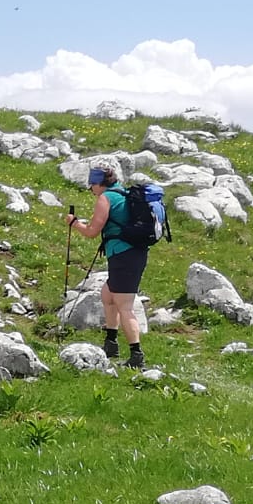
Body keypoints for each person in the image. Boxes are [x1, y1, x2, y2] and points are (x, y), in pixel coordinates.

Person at [65, 158, 148, 368]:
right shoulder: (123, 194)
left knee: (124, 306)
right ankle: (111, 344)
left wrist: (74, 223)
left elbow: (92, 231)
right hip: (132, 254)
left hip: (123, 256)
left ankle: (136, 356)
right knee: (108, 295)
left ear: (99, 183)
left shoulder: (106, 198)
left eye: (92, 185)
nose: (91, 189)